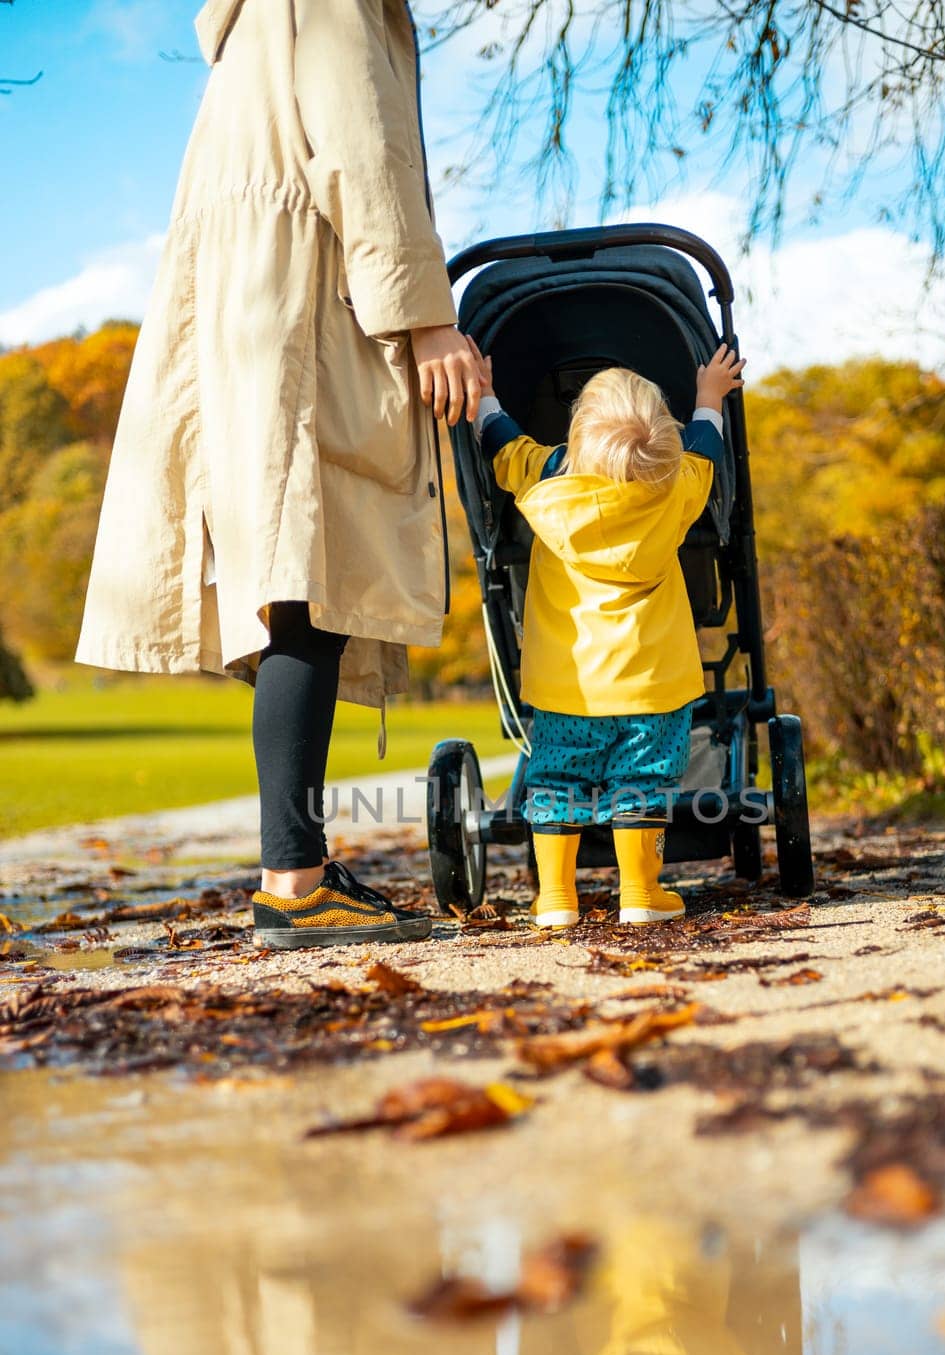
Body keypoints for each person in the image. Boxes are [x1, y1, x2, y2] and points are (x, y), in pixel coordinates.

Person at [74, 0, 482, 950]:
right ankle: (294, 882)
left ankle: (293, 866)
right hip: (304, 300)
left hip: (239, 309)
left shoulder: (247, 25)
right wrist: (426, 314)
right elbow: (364, 153)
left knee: (292, 580)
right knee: (311, 577)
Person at [469, 339, 745, 927]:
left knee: (557, 781)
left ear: (576, 439)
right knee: (642, 782)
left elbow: (501, 439)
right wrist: (708, 398)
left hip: (568, 684)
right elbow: (706, 445)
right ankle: (642, 894)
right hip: (652, 686)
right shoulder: (676, 487)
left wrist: (486, 393)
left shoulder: (545, 484)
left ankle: (557, 899)